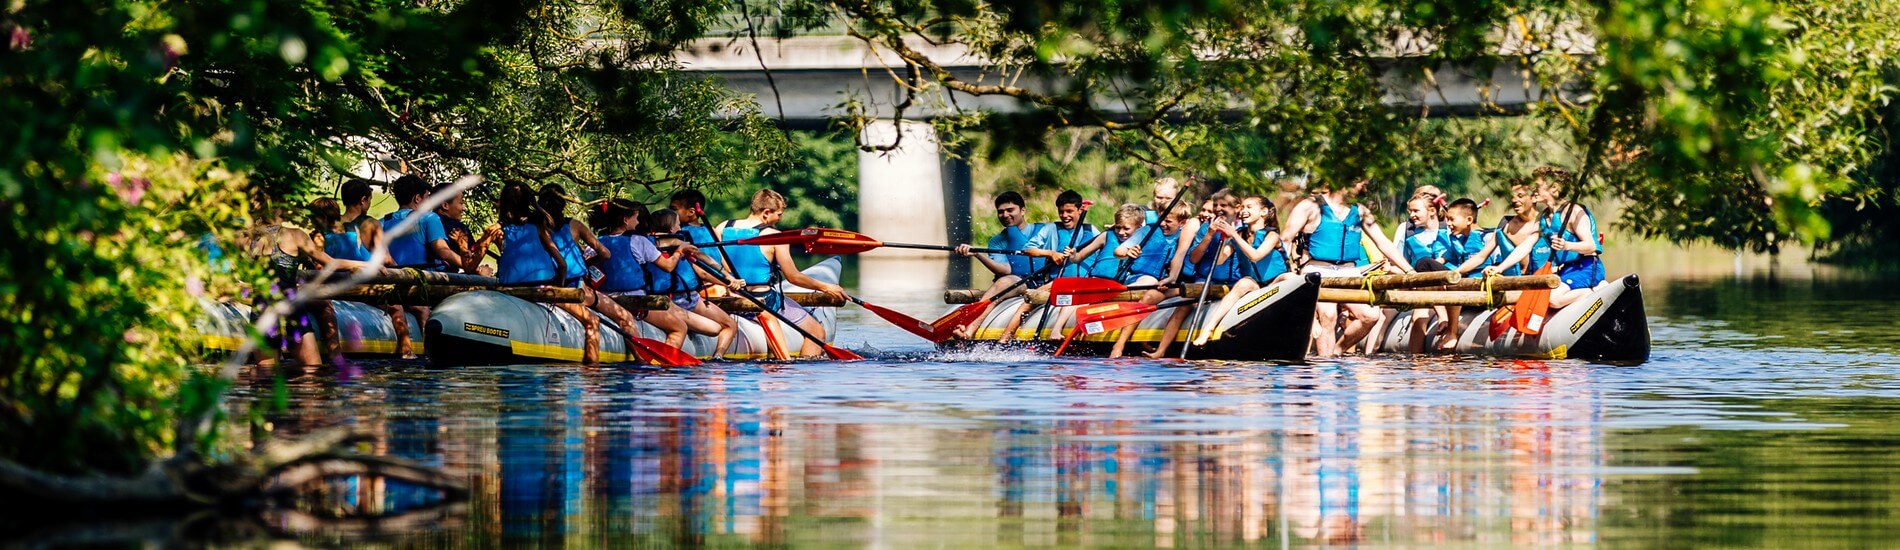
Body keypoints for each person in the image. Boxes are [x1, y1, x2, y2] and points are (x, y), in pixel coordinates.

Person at [1283, 175, 1414, 357]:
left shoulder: (1360, 211)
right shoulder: (1311, 207)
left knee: (1370, 316)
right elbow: (1286, 238)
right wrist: (1287, 274)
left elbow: (1383, 242)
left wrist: (1409, 271)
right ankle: (1325, 367)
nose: (1365, 187)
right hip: (1318, 269)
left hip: (1349, 271)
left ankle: (1337, 351)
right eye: (1361, 182)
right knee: (1328, 315)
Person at [241, 195, 378, 366]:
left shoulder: (247, 239)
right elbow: (332, 263)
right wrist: (367, 264)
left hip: (262, 310)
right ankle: (336, 357)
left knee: (266, 380)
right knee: (312, 373)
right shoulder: (295, 235)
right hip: (291, 309)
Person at [712, 189, 849, 358]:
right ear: (766, 213)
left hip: (731, 297)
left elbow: (714, 264)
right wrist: (826, 287)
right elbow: (793, 277)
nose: (780, 219)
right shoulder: (775, 237)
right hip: (764, 300)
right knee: (818, 332)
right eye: (779, 214)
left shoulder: (722, 227)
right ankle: (803, 371)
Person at [1489, 167, 1604, 309]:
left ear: (1554, 188)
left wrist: (1566, 245)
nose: (1534, 191)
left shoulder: (1574, 211)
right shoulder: (1542, 217)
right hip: (1566, 269)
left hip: (1586, 267)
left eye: (1537, 186)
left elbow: (1591, 246)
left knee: (1552, 300)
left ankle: (1595, 291)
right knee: (1540, 298)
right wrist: (1499, 268)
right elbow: (1526, 246)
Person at [1191, 194, 1294, 346]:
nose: (1243, 211)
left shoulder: (1271, 235)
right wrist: (1225, 237)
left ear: (1264, 212)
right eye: (1243, 207)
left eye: (1249, 207)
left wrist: (1234, 235)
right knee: (1243, 283)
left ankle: (1313, 322)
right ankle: (1209, 328)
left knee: (1291, 277)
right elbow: (1220, 260)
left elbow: (1255, 256)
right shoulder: (1239, 233)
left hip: (1275, 282)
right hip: (1255, 284)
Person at [993, 190, 1095, 343]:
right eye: (1061, 212)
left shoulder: (1091, 230)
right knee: (1027, 303)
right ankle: (1004, 339)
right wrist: (1051, 253)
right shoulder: (1051, 229)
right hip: (1058, 282)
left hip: (1085, 284)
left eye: (1069, 211)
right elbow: (1028, 249)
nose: (1065, 216)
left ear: (1080, 210)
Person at [951, 191, 1053, 339]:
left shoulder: (1045, 231)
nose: (1005, 215)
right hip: (1018, 282)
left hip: (1044, 283)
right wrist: (977, 254)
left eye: (1010, 210)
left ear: (1022, 210)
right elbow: (1006, 269)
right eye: (1001, 212)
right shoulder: (997, 241)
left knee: (1006, 282)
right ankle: (969, 329)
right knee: (1005, 281)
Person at [647, 208, 740, 357]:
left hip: (658, 298)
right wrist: (728, 278)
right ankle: (718, 357)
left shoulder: (644, 243)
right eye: (678, 224)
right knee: (728, 326)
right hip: (685, 299)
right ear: (671, 229)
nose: (680, 228)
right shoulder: (679, 243)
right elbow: (704, 267)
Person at [1108, 200, 1194, 358]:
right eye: (1162, 218)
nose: (1163, 224)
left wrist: (1168, 280)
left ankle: (1150, 344)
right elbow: (1118, 251)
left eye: (1169, 221)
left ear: (1182, 222)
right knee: (1149, 285)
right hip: (1139, 279)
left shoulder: (1184, 237)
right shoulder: (1147, 231)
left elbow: (1179, 260)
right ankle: (1118, 346)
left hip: (1163, 285)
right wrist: (1127, 252)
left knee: (1151, 294)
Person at [1398, 193, 1454, 354]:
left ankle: (1444, 318)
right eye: (1410, 211)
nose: (1412, 215)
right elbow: (1402, 265)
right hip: (1425, 291)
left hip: (1449, 286)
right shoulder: (1410, 237)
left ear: (1432, 211)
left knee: (1425, 263)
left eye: (1416, 211)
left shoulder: (1450, 231)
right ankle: (1417, 364)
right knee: (1419, 316)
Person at [433, 182, 500, 276]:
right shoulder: (457, 228)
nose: (464, 208)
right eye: (461, 203)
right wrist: (479, 270)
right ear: (445, 206)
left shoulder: (425, 221)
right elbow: (471, 258)